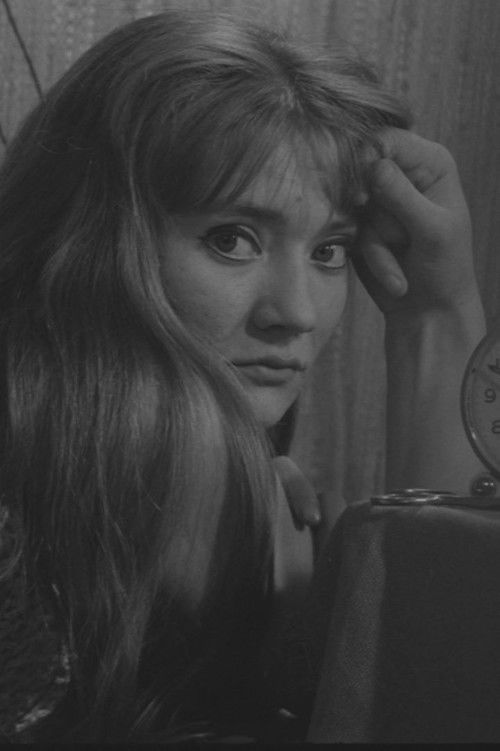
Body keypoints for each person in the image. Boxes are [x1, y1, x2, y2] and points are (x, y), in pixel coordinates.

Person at [0, 8, 486, 743]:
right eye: (232, 239)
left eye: (329, 250)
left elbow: (436, 681)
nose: (297, 313)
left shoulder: (264, 507)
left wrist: (433, 313)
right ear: (87, 238)